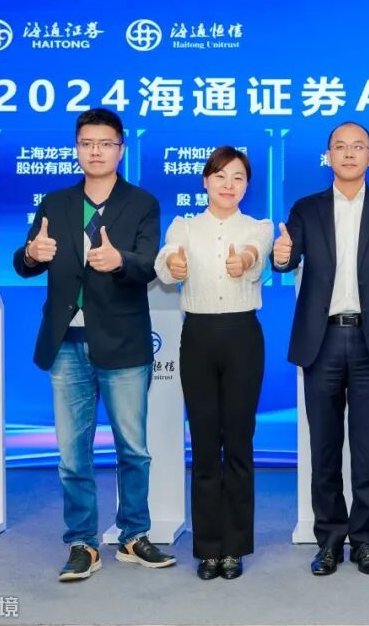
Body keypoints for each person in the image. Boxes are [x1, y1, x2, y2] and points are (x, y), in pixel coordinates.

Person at [13, 107, 174, 581]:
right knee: (72, 454)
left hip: (123, 341)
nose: (96, 151)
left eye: (105, 144)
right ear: (77, 149)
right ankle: (82, 542)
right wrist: (31, 254)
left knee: (133, 449)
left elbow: (149, 265)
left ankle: (133, 534)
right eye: (87, 144)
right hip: (66, 342)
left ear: (121, 149)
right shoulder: (56, 202)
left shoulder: (142, 203)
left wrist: (119, 259)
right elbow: (26, 261)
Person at [272, 122, 369, 576]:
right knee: (325, 448)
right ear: (328, 156)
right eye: (340, 147)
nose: (349, 154)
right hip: (323, 339)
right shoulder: (307, 208)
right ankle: (330, 541)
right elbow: (288, 258)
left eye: (358, 147)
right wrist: (281, 256)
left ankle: (365, 541)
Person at [154, 146, 272, 580]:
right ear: (205, 181)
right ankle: (207, 548)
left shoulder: (258, 226)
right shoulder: (184, 226)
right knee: (205, 445)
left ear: (246, 185)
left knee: (239, 443)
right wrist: (173, 264)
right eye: (220, 176)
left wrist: (246, 260)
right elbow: (165, 260)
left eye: (238, 177)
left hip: (242, 336)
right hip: (198, 336)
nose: (228, 185)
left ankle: (234, 548)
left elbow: (256, 255)